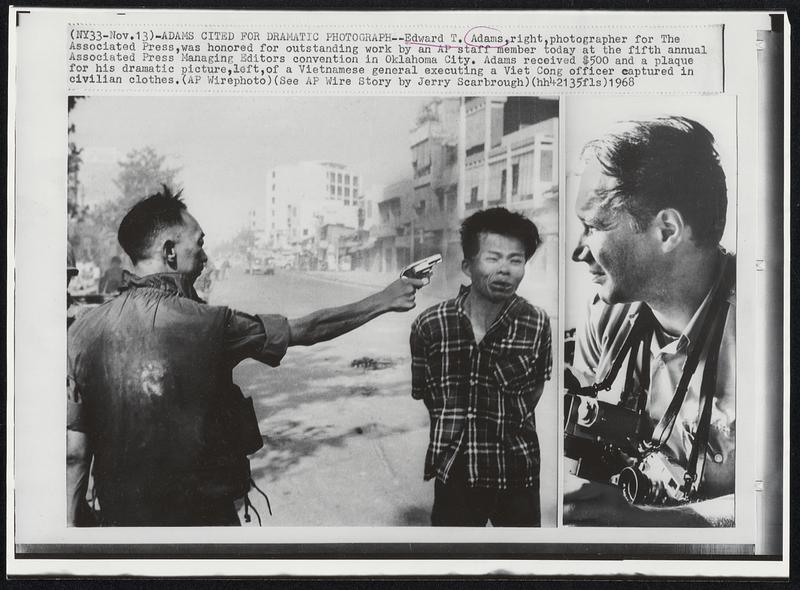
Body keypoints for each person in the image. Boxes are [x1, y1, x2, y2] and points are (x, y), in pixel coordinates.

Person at [67, 186, 424, 527]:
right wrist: (384, 299)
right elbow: (307, 330)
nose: (206, 256)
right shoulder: (212, 323)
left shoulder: (82, 331)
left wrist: (74, 523)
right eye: (200, 243)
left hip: (121, 522)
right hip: (204, 521)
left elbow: (75, 452)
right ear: (170, 251)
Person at [565, 116, 735, 527]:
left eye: (592, 227)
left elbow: (782, 506)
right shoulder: (604, 315)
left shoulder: (772, 331)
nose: (578, 251)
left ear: (667, 230)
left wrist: (656, 522)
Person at [410, 207, 552, 527]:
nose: (505, 270)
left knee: (524, 572)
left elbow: (534, 391)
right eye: (493, 258)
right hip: (454, 474)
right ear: (467, 265)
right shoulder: (430, 325)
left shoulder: (537, 323)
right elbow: (426, 393)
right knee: (453, 571)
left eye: (516, 260)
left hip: (517, 475)